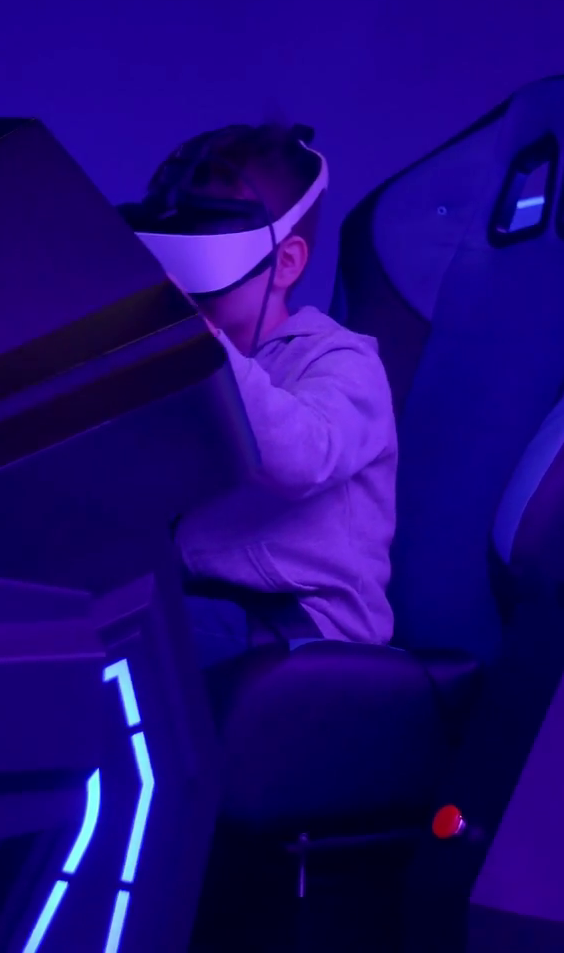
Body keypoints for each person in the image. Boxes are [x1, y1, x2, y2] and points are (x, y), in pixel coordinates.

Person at [121, 123, 397, 668]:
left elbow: (301, 457)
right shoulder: (189, 369)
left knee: (118, 636)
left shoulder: (342, 360)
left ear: (286, 261)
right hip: (204, 602)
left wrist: (198, 338)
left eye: (204, 242)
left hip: (301, 622)